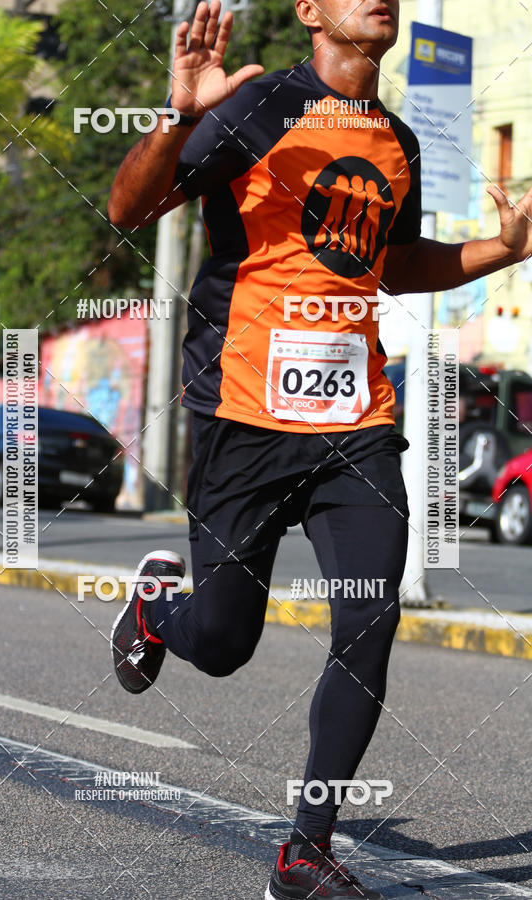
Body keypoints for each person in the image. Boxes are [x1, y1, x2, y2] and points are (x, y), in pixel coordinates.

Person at [108, 1, 532, 896]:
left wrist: (502, 248)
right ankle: (156, 612)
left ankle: (307, 849)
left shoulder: (399, 142)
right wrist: (181, 118)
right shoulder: (251, 110)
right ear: (309, 12)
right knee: (223, 643)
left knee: (369, 620)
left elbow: (393, 261)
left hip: (357, 424)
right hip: (243, 414)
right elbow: (127, 208)